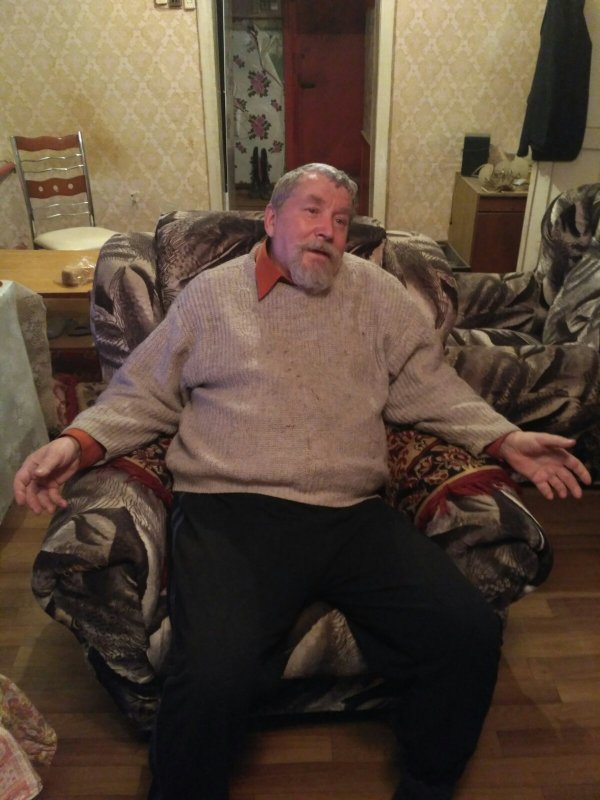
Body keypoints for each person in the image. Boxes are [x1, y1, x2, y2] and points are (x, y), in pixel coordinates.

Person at [14, 164, 590, 800]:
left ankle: (429, 783)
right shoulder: (211, 296)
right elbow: (142, 394)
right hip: (230, 510)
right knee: (213, 674)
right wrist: (74, 443)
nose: (328, 231)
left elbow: (429, 388)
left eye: (341, 219)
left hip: (352, 514)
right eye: (312, 211)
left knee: (468, 634)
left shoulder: (377, 295)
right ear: (271, 219)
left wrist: (506, 439)